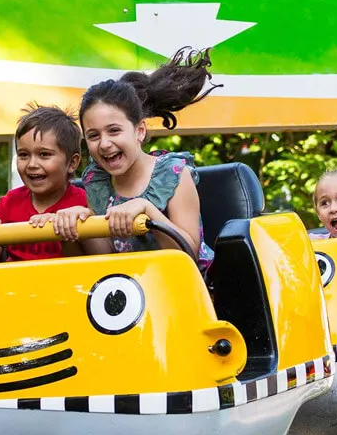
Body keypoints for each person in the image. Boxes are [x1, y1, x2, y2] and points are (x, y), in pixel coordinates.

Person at [50, 48, 218, 270]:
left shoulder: (173, 175)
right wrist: (78, 225)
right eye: (93, 135)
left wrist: (146, 208)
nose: (104, 144)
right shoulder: (96, 179)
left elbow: (188, 256)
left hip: (184, 287)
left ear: (139, 131)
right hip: (130, 288)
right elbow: (106, 254)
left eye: (114, 131)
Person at [0, 104, 86, 264]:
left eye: (44, 154)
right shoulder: (10, 202)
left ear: (72, 163)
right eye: (24, 155)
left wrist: (63, 229)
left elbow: (87, 265)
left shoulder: (83, 204)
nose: (32, 164)